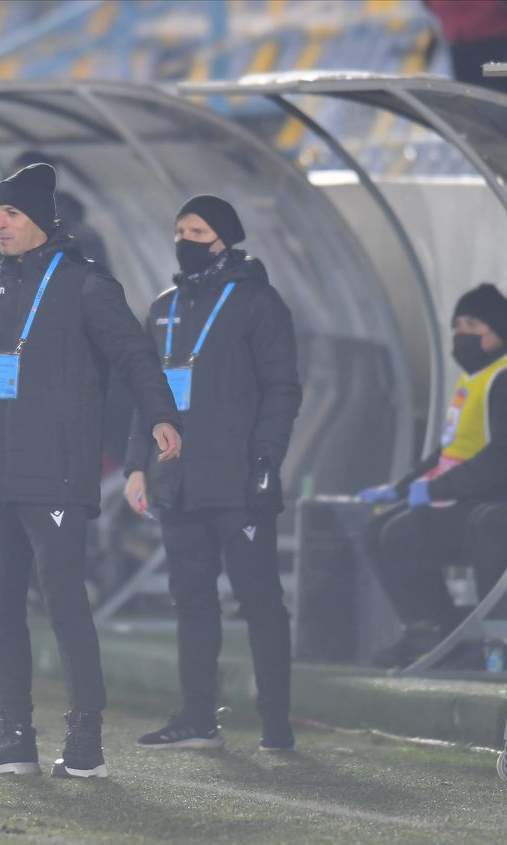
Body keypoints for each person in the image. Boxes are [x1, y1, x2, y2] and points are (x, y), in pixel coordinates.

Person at [0, 163, 182, 779]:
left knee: (63, 606)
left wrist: (161, 413)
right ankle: (15, 736)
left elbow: (135, 356)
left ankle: (85, 736)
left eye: (12, 214)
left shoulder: (85, 284)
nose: (0, 224)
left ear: (41, 222)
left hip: (56, 472)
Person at [123, 195, 302, 752]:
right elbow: (147, 395)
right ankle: (198, 720)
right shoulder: (163, 306)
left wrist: (267, 461)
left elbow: (282, 391)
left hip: (238, 482)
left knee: (260, 601)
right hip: (177, 481)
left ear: (224, 239)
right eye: (180, 228)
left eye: (197, 229)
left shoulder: (259, 302)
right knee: (192, 602)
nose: (185, 238)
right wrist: (137, 465)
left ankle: (276, 725)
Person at [359, 284, 507, 668]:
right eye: (457, 325)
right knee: (376, 530)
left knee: (402, 535)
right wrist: (401, 488)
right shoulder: (478, 376)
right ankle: (427, 628)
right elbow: (451, 450)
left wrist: (435, 489)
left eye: (473, 323)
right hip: (469, 495)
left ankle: (451, 636)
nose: (461, 333)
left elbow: (506, 457)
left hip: (503, 499)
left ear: (497, 327)